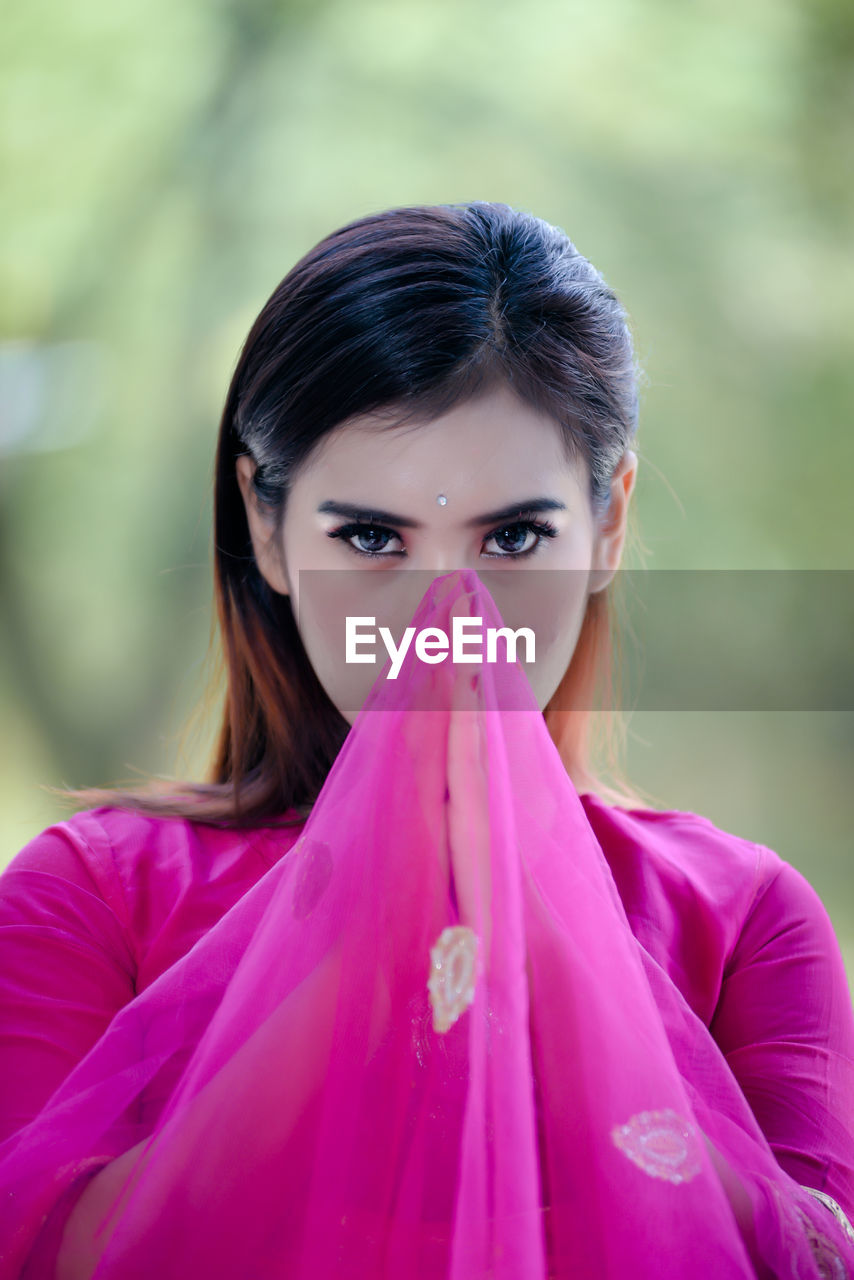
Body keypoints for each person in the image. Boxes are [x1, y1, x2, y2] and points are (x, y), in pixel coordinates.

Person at [0, 202, 852, 1279]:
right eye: (368, 536)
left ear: (608, 525)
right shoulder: (91, 898)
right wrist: (389, 907)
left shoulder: (740, 921)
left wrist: (537, 925)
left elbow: (803, 1255)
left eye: (511, 537)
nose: (446, 614)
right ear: (266, 526)